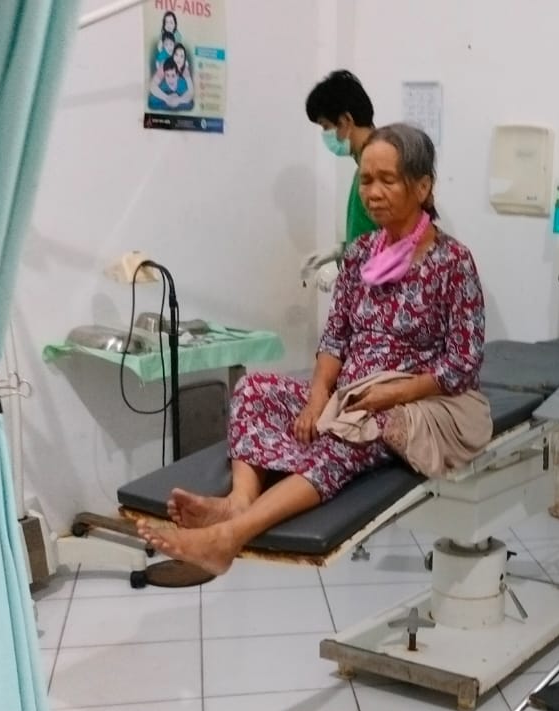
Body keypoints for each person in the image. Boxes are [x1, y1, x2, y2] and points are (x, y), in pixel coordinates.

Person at [140, 123, 486, 576]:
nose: (373, 193)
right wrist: (318, 396)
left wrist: (390, 395)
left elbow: (463, 363)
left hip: (414, 404)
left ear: (423, 187)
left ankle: (230, 536)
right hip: (349, 396)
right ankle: (239, 501)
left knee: (354, 429)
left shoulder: (452, 262)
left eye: (387, 180)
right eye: (366, 180)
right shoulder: (360, 255)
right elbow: (335, 338)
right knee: (254, 390)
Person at [300, 70, 380, 286]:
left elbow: (399, 241)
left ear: (345, 121)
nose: (325, 134)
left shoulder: (379, 170)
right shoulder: (363, 167)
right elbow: (370, 234)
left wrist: (345, 266)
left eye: (326, 126)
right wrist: (341, 250)